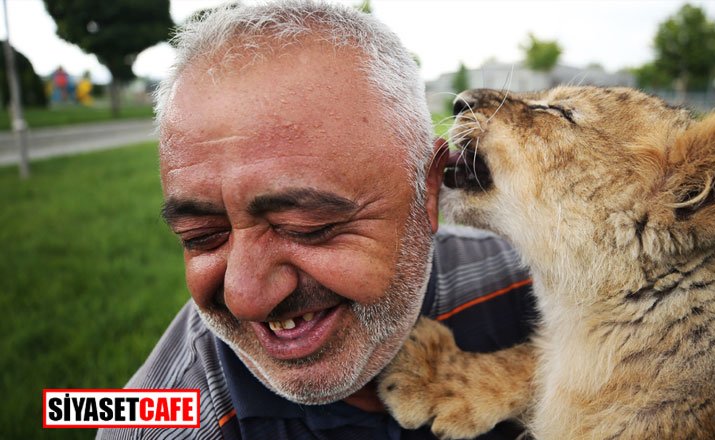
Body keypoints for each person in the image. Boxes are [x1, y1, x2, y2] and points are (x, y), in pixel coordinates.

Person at [98, 1, 535, 439]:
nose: (245, 298)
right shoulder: (151, 424)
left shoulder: (531, 286)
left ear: (429, 188)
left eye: (307, 226)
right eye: (202, 237)